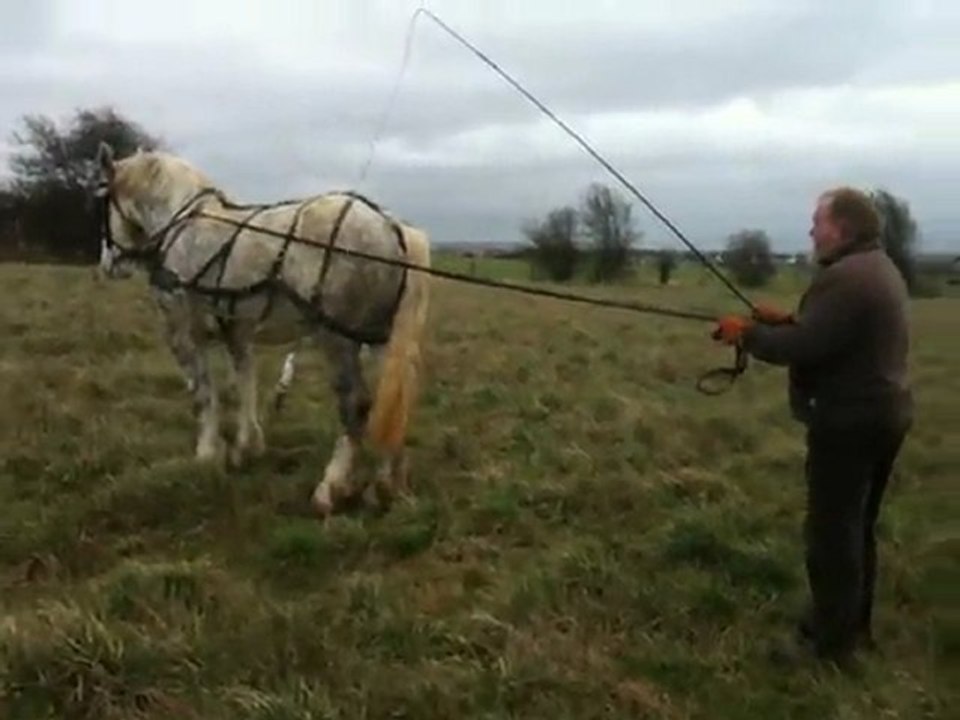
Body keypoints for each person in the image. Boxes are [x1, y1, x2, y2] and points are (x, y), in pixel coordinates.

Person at [712, 186, 914, 665]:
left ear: (842, 228)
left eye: (817, 221)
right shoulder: (877, 268)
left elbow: (803, 348)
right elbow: (827, 332)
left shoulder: (845, 277)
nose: (810, 230)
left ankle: (828, 644)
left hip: (849, 422)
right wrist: (785, 320)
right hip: (884, 416)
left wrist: (751, 333)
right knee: (856, 528)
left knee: (831, 534)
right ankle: (851, 627)